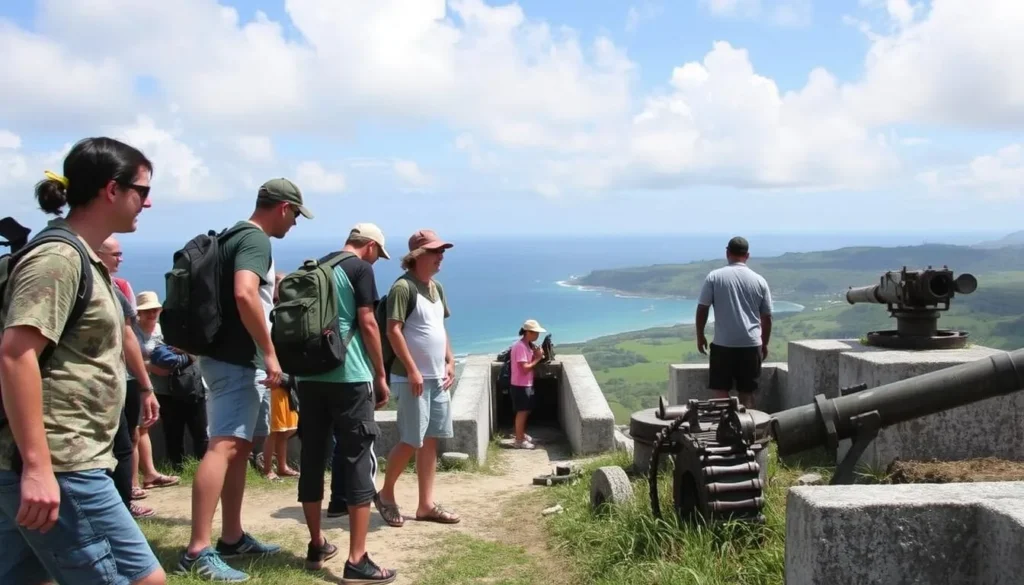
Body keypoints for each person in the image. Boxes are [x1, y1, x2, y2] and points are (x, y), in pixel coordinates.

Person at [0, 137, 166, 584]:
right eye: (143, 191)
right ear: (111, 190)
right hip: (61, 462)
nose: (147, 204)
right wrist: (37, 468)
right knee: (141, 579)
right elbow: (16, 355)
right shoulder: (59, 259)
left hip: (47, 462)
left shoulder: (81, 257)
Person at [177, 178, 311, 582]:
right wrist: (269, 351)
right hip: (237, 360)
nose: (294, 225)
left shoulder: (230, 235)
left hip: (220, 357)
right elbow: (245, 293)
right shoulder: (255, 240)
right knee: (223, 447)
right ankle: (198, 549)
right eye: (295, 216)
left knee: (236, 446)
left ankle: (232, 537)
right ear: (283, 208)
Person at [295, 223, 396, 582]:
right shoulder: (360, 269)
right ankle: (357, 558)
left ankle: (316, 543)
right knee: (356, 458)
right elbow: (368, 322)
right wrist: (380, 373)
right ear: (369, 246)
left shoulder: (316, 267)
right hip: (349, 376)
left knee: (312, 458)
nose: (377, 261)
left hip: (308, 377)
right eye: (377, 254)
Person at [377, 229, 460, 529]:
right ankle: (386, 495)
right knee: (412, 438)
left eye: (442, 251)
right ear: (417, 256)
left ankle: (425, 505)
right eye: (436, 252)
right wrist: (412, 368)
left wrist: (450, 359)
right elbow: (393, 330)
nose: (441, 257)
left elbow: (439, 328)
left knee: (430, 441)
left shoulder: (436, 288)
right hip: (414, 378)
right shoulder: (403, 288)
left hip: (437, 377)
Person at [99, 237, 177, 519]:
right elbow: (128, 337)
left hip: (120, 379)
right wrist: (146, 385)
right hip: (112, 381)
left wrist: (144, 386)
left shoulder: (114, 288)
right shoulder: (106, 286)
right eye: (115, 254)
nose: (120, 259)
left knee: (126, 440)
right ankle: (123, 504)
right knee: (120, 444)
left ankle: (124, 501)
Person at [694, 236, 773, 409]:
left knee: (720, 390)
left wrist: (700, 336)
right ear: (748, 255)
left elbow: (702, 308)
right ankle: (748, 430)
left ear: (727, 252)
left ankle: (726, 428)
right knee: (747, 392)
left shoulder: (714, 277)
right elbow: (766, 317)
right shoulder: (760, 281)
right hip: (751, 344)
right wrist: (764, 344)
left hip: (723, 344)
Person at [136, 291, 209, 473]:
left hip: (188, 385)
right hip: (160, 388)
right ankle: (177, 467)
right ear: (139, 313)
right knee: (172, 431)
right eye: (147, 311)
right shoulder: (133, 333)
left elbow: (195, 353)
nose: (152, 314)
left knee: (199, 430)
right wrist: (151, 367)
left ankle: (204, 466)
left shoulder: (165, 329)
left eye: (154, 310)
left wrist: (179, 357)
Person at [262, 274, 299, 480]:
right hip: (276, 379)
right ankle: (268, 468)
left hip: (287, 378)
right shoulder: (271, 314)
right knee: (275, 429)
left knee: (286, 429)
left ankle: (282, 465)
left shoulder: (285, 314)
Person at [509, 319, 548, 450]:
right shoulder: (520, 347)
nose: (537, 335)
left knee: (526, 411)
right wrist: (538, 358)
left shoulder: (526, 345)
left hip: (525, 383)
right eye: (535, 333)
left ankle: (521, 435)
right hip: (520, 384)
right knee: (522, 412)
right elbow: (525, 368)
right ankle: (519, 440)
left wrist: (536, 354)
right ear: (528, 332)